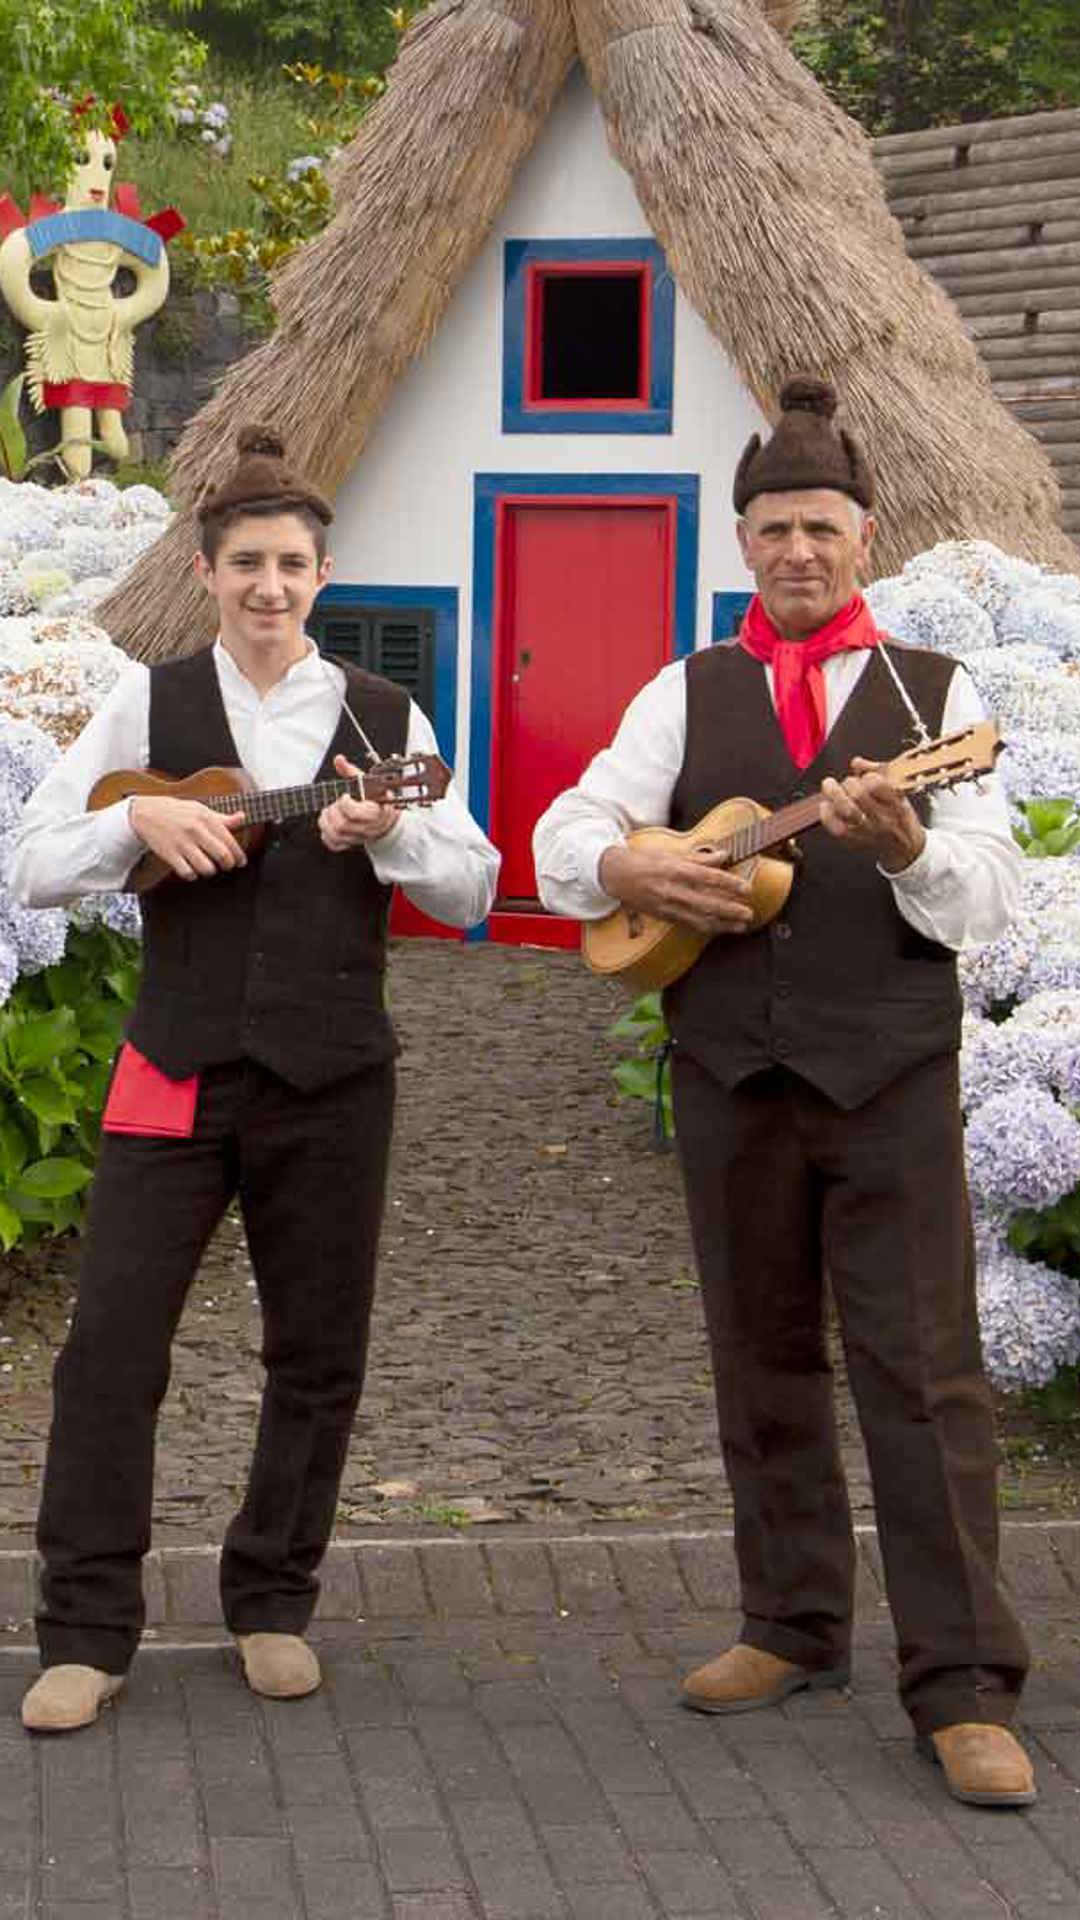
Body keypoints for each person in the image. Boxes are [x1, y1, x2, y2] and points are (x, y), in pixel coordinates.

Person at [533, 378, 1035, 1809]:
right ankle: (793, 1624)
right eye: (772, 528)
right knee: (759, 1357)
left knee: (923, 1375)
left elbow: (989, 898)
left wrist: (902, 849)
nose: (797, 550)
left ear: (865, 537)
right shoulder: (683, 689)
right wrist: (629, 865)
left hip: (886, 1076)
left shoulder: (940, 697)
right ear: (743, 541)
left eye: (821, 525)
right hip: (730, 1071)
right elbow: (573, 824)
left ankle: (963, 1682)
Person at [11, 425, 499, 1732]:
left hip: (335, 1077)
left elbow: (478, 884)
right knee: (109, 1350)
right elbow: (31, 858)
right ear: (205, 570)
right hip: (173, 1067)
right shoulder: (146, 704)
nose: (269, 586)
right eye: (245, 564)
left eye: (291, 564)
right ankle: (86, 1628)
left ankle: (273, 1601)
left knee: (318, 1353)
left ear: (323, 574)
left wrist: (393, 834)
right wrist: (134, 821)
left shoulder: (382, 719)